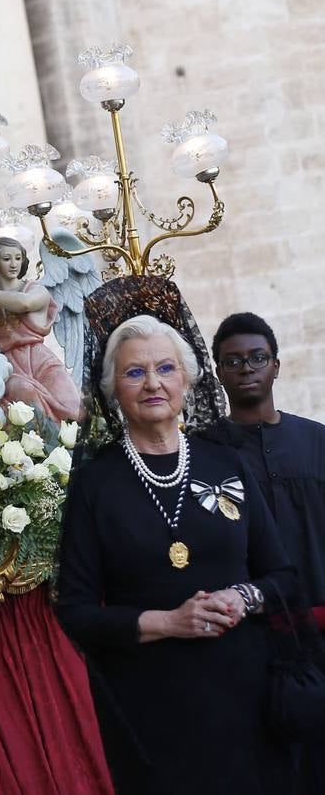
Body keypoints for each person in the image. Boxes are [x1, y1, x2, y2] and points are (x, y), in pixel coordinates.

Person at [55, 314, 295, 793]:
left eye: (165, 368)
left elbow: (283, 575)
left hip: (245, 691)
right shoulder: (94, 485)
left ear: (187, 379)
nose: (152, 384)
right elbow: (75, 612)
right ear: (113, 390)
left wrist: (242, 598)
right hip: (149, 703)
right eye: (134, 372)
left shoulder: (227, 463)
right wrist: (169, 622)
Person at [206, 312, 325, 618]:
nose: (246, 369)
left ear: (276, 366)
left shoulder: (317, 440)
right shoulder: (205, 451)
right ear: (218, 372)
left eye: (257, 358)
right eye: (232, 361)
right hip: (249, 624)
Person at [0, 236, 80, 421]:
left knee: (71, 405)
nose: (13, 264)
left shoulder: (35, 290)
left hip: (39, 361)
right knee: (22, 395)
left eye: (18, 258)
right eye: (6, 258)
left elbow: (24, 304)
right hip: (5, 367)